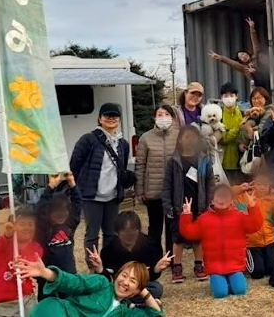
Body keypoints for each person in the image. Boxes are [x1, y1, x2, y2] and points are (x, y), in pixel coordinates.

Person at [70, 102, 130, 266]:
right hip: (91, 195)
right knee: (92, 233)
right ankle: (93, 265)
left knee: (111, 233)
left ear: (119, 120)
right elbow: (75, 164)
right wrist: (75, 189)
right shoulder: (88, 139)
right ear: (99, 118)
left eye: (115, 116)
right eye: (107, 115)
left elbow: (122, 168)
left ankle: (109, 263)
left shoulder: (122, 144)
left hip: (112, 195)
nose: (111, 119)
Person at [181, 185, 263, 299]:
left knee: (240, 290)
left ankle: (228, 281)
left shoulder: (239, 216)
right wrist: (186, 215)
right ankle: (220, 282)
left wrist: (253, 207)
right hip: (215, 267)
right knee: (220, 293)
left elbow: (255, 225)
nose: (221, 200)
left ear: (231, 200)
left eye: (225, 197)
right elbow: (190, 233)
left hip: (235, 265)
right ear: (212, 200)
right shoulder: (204, 218)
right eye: (218, 197)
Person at [161, 125, 215, 283]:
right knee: (178, 238)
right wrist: (168, 205)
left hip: (199, 205)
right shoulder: (173, 161)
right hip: (179, 207)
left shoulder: (204, 160)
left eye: (193, 137)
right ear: (180, 139)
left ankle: (199, 265)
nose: (190, 140)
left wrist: (209, 203)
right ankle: (177, 267)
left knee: (198, 237)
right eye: (186, 136)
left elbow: (210, 183)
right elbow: (167, 185)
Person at [16, 259, 163, 316]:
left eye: (132, 280)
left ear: (137, 290)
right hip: (59, 313)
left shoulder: (125, 312)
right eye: (124, 275)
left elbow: (156, 315)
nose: (125, 282)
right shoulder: (102, 283)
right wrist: (46, 273)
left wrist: (144, 292)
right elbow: (75, 282)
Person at [88, 211, 170, 303]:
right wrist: (99, 268)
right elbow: (106, 279)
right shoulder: (109, 249)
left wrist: (156, 269)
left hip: (137, 285)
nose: (130, 237)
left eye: (133, 233)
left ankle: (122, 301)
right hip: (119, 286)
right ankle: (137, 302)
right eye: (126, 233)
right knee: (99, 288)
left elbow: (149, 278)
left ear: (139, 230)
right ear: (117, 233)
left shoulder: (149, 245)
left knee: (156, 288)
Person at [135, 105, 179, 253]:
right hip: (153, 191)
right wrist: (140, 190)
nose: (163, 118)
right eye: (160, 115)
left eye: (167, 114)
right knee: (155, 227)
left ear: (172, 117)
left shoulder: (179, 136)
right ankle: (155, 258)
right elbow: (140, 164)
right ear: (154, 118)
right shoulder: (145, 138)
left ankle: (171, 259)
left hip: (173, 192)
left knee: (172, 228)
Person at [0, 209, 42, 317]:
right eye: (22, 224)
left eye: (31, 224)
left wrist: (24, 264)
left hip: (26, 298)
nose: (27, 228)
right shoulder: (3, 244)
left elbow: (33, 264)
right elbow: (5, 239)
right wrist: (8, 234)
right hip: (2, 303)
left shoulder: (36, 248)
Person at [36, 173, 82, 299]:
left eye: (65, 210)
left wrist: (72, 183)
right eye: (57, 211)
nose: (62, 214)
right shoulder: (44, 228)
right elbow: (40, 209)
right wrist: (50, 187)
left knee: (69, 304)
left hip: (69, 275)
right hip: (48, 278)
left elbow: (78, 204)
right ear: (49, 212)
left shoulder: (69, 225)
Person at [232, 175, 274, 279]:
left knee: (271, 270)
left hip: (269, 241)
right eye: (259, 184)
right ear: (253, 185)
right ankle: (246, 258)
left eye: (265, 184)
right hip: (251, 243)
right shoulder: (244, 198)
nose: (262, 187)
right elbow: (228, 194)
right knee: (258, 273)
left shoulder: (272, 200)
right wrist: (240, 188)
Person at [209, 18, 270, 92]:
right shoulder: (244, 68)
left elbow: (255, 43)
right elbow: (232, 63)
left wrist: (252, 28)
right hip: (259, 87)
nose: (243, 56)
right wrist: (220, 58)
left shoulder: (256, 56)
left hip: (268, 78)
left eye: (243, 54)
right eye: (241, 57)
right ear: (241, 61)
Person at [219, 83, 244, 184]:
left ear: (236, 96)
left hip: (241, 161)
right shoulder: (218, 113)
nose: (229, 98)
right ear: (221, 97)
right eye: (225, 96)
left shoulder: (243, 112)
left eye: (231, 95)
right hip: (223, 162)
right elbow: (223, 138)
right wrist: (238, 128)